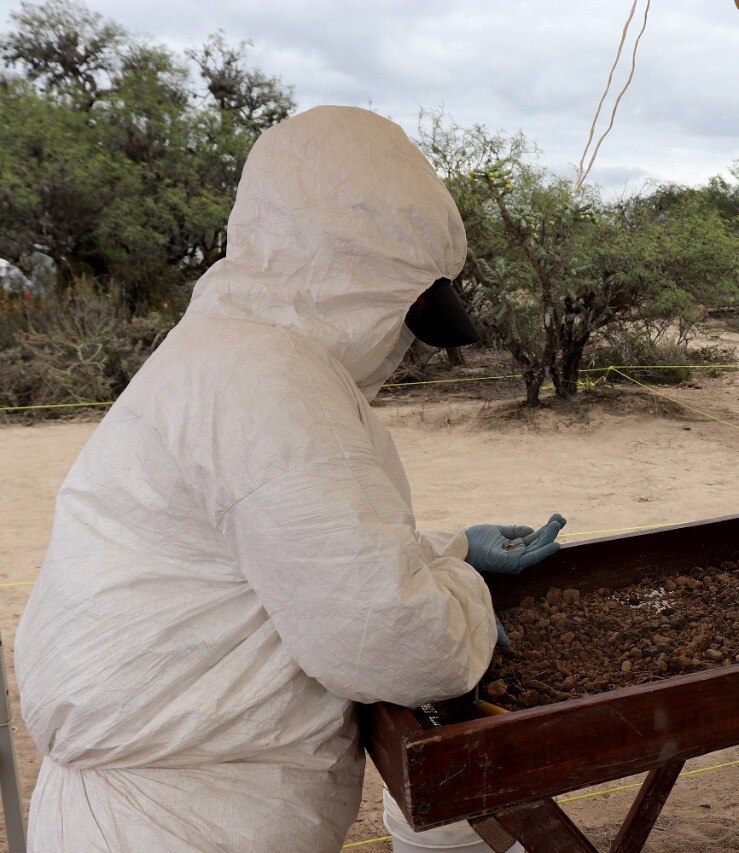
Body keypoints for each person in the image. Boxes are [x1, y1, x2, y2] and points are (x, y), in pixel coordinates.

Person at [15, 106, 566, 851]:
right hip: (179, 819)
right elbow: (386, 634)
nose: (404, 344)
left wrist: (450, 548)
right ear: (363, 286)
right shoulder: (269, 381)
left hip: (159, 795)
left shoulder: (227, 346)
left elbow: (267, 556)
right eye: (408, 316)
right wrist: (463, 597)